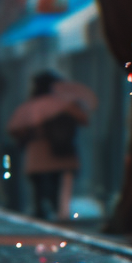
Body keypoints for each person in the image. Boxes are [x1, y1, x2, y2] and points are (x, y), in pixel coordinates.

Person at [9, 71, 91, 220]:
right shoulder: (64, 104)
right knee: (59, 185)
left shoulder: (30, 106)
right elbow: (83, 119)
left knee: (38, 187)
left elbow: (13, 127)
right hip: (62, 152)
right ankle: (60, 213)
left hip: (36, 153)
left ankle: (41, 212)